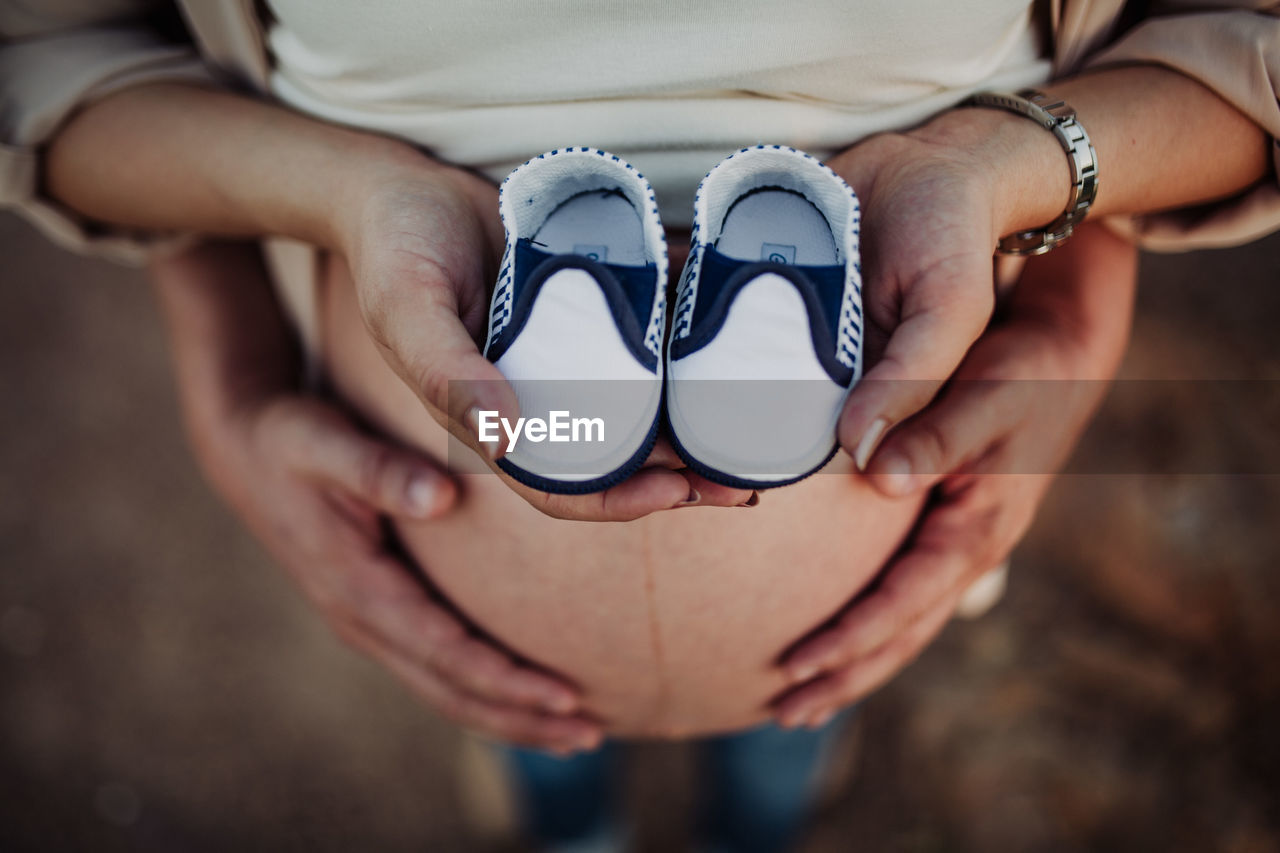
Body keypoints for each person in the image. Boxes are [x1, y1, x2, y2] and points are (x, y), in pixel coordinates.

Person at [3, 1, 1277, 848]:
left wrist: (1060, 272)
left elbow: (1237, 39)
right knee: (547, 720)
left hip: (582, 541)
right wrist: (246, 334)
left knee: (790, 712)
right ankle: (590, 808)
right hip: (476, 541)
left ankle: (740, 801)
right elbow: (56, 50)